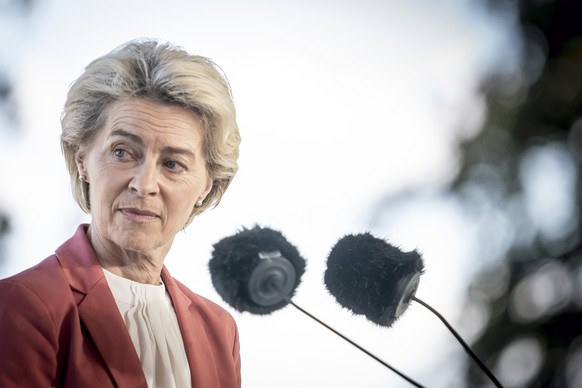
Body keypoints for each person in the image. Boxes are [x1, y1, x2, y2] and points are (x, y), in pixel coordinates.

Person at [0, 38, 242, 388]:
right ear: (82, 159)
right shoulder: (22, 306)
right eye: (122, 152)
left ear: (207, 184)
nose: (144, 184)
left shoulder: (219, 330)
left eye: (173, 164)